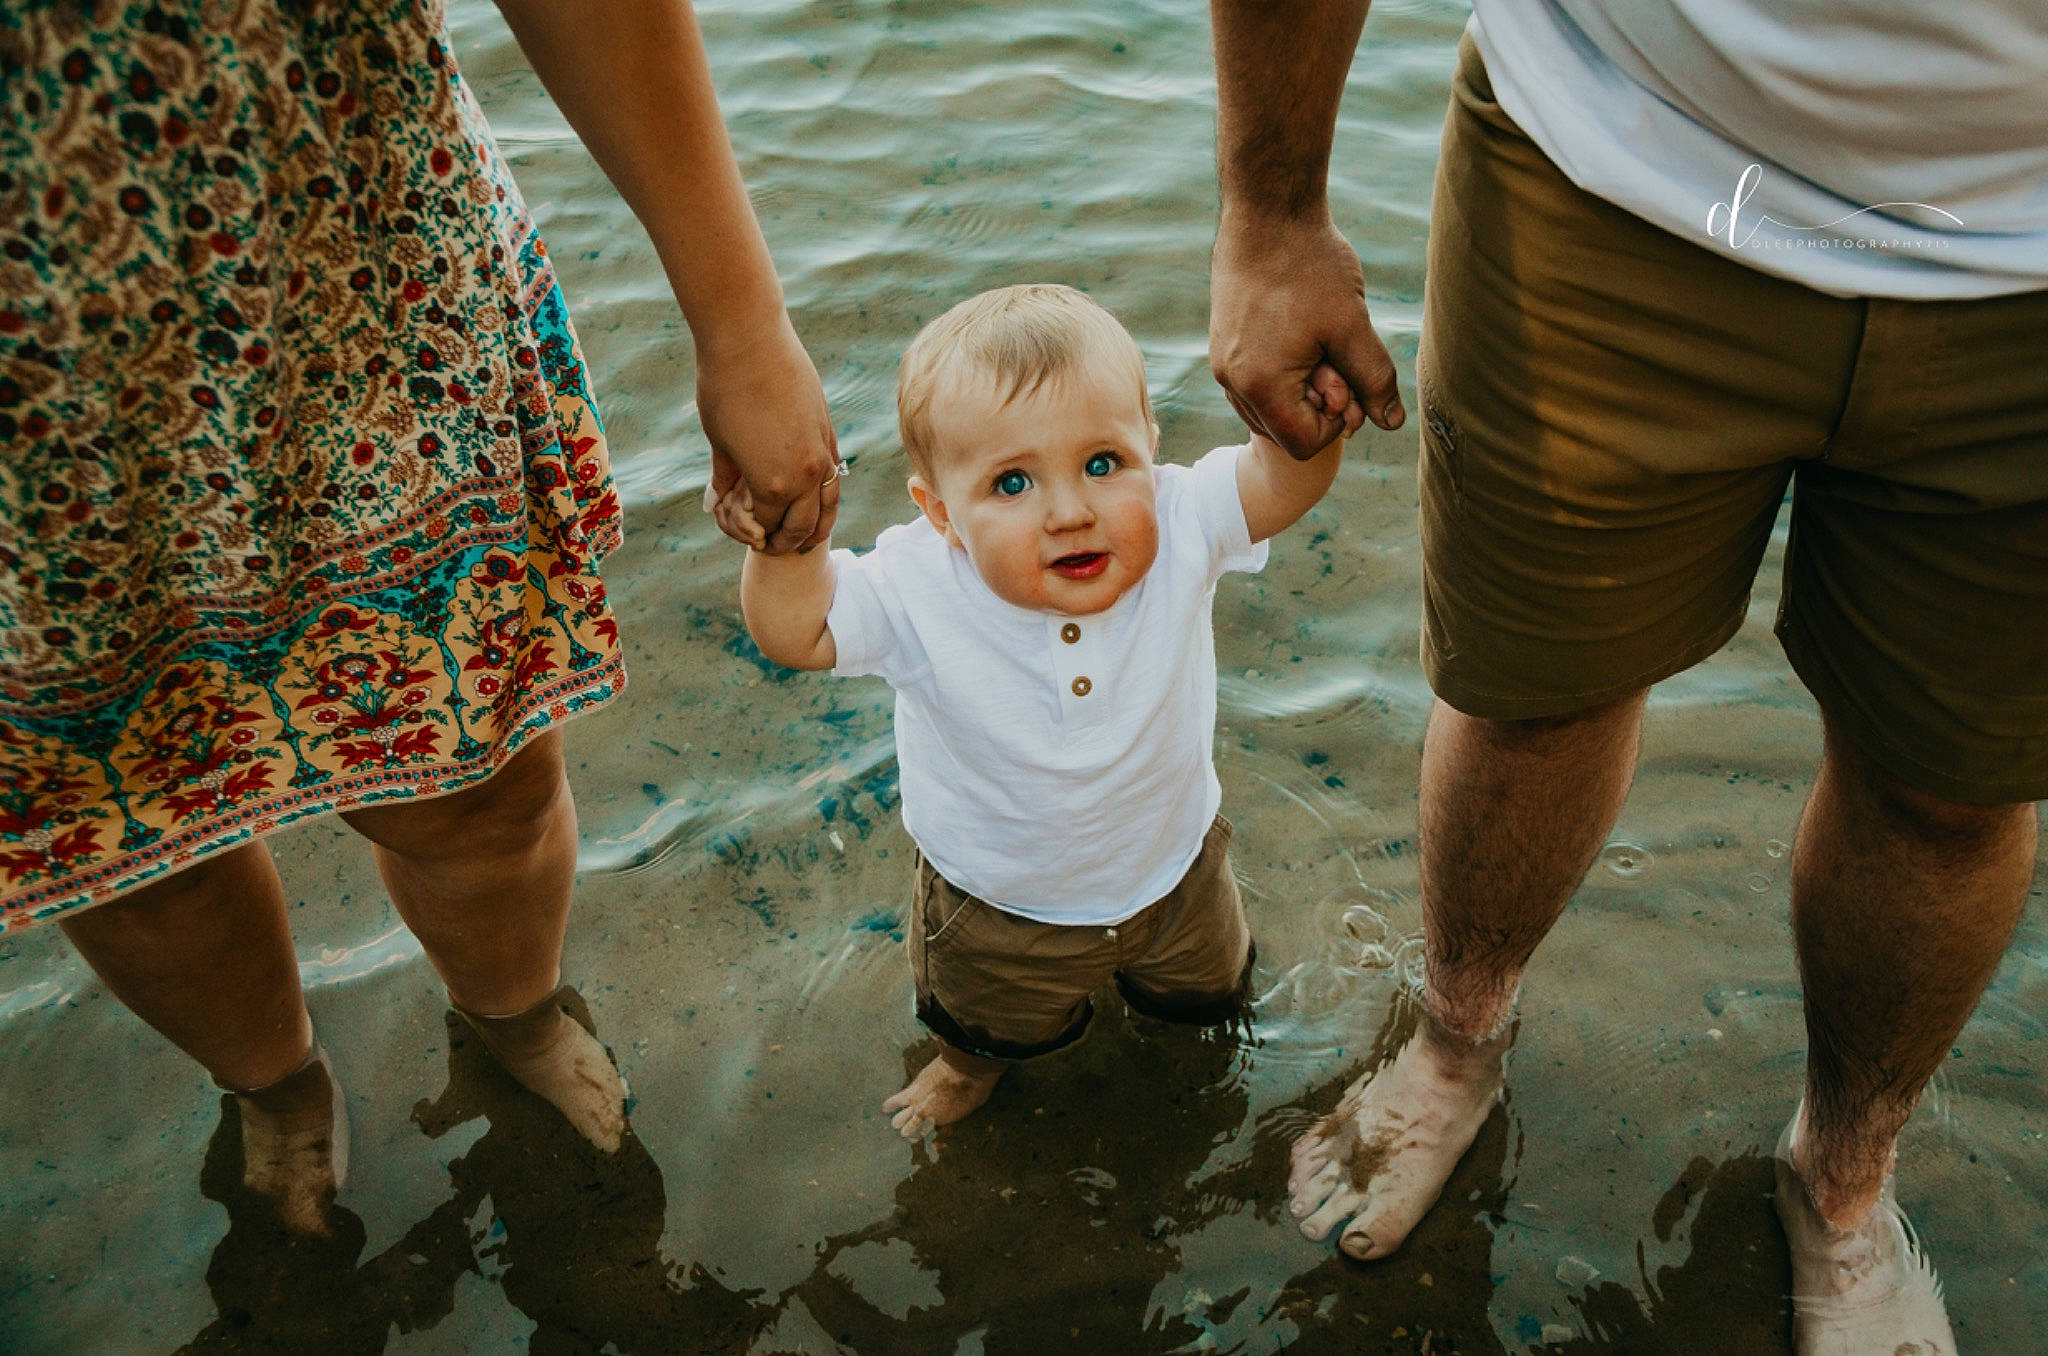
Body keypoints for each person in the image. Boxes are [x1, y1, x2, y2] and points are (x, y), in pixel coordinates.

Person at [1206, 1, 2046, 1350]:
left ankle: (1843, 1185)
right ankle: (1456, 1044)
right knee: (1531, 693)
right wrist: (1271, 210)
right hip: (1612, 161)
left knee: (1955, 783)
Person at [0, 0, 838, 1237]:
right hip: (33, 421)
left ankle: (511, 1014)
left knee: (475, 776)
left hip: (351, 287)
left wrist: (742, 325)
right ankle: (273, 1082)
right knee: (131, 826)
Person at [730, 284, 1345, 1136]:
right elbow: (800, 632)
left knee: (1207, 1000)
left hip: (1177, 874)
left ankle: (1190, 1040)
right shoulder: (916, 585)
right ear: (941, 512)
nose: (1069, 511)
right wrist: (786, 548)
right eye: (1012, 483)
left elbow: (1283, 480)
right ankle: (968, 1073)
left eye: (1104, 463)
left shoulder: (1181, 519)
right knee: (987, 1028)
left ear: (1150, 450)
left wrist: (1305, 415)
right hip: (997, 907)